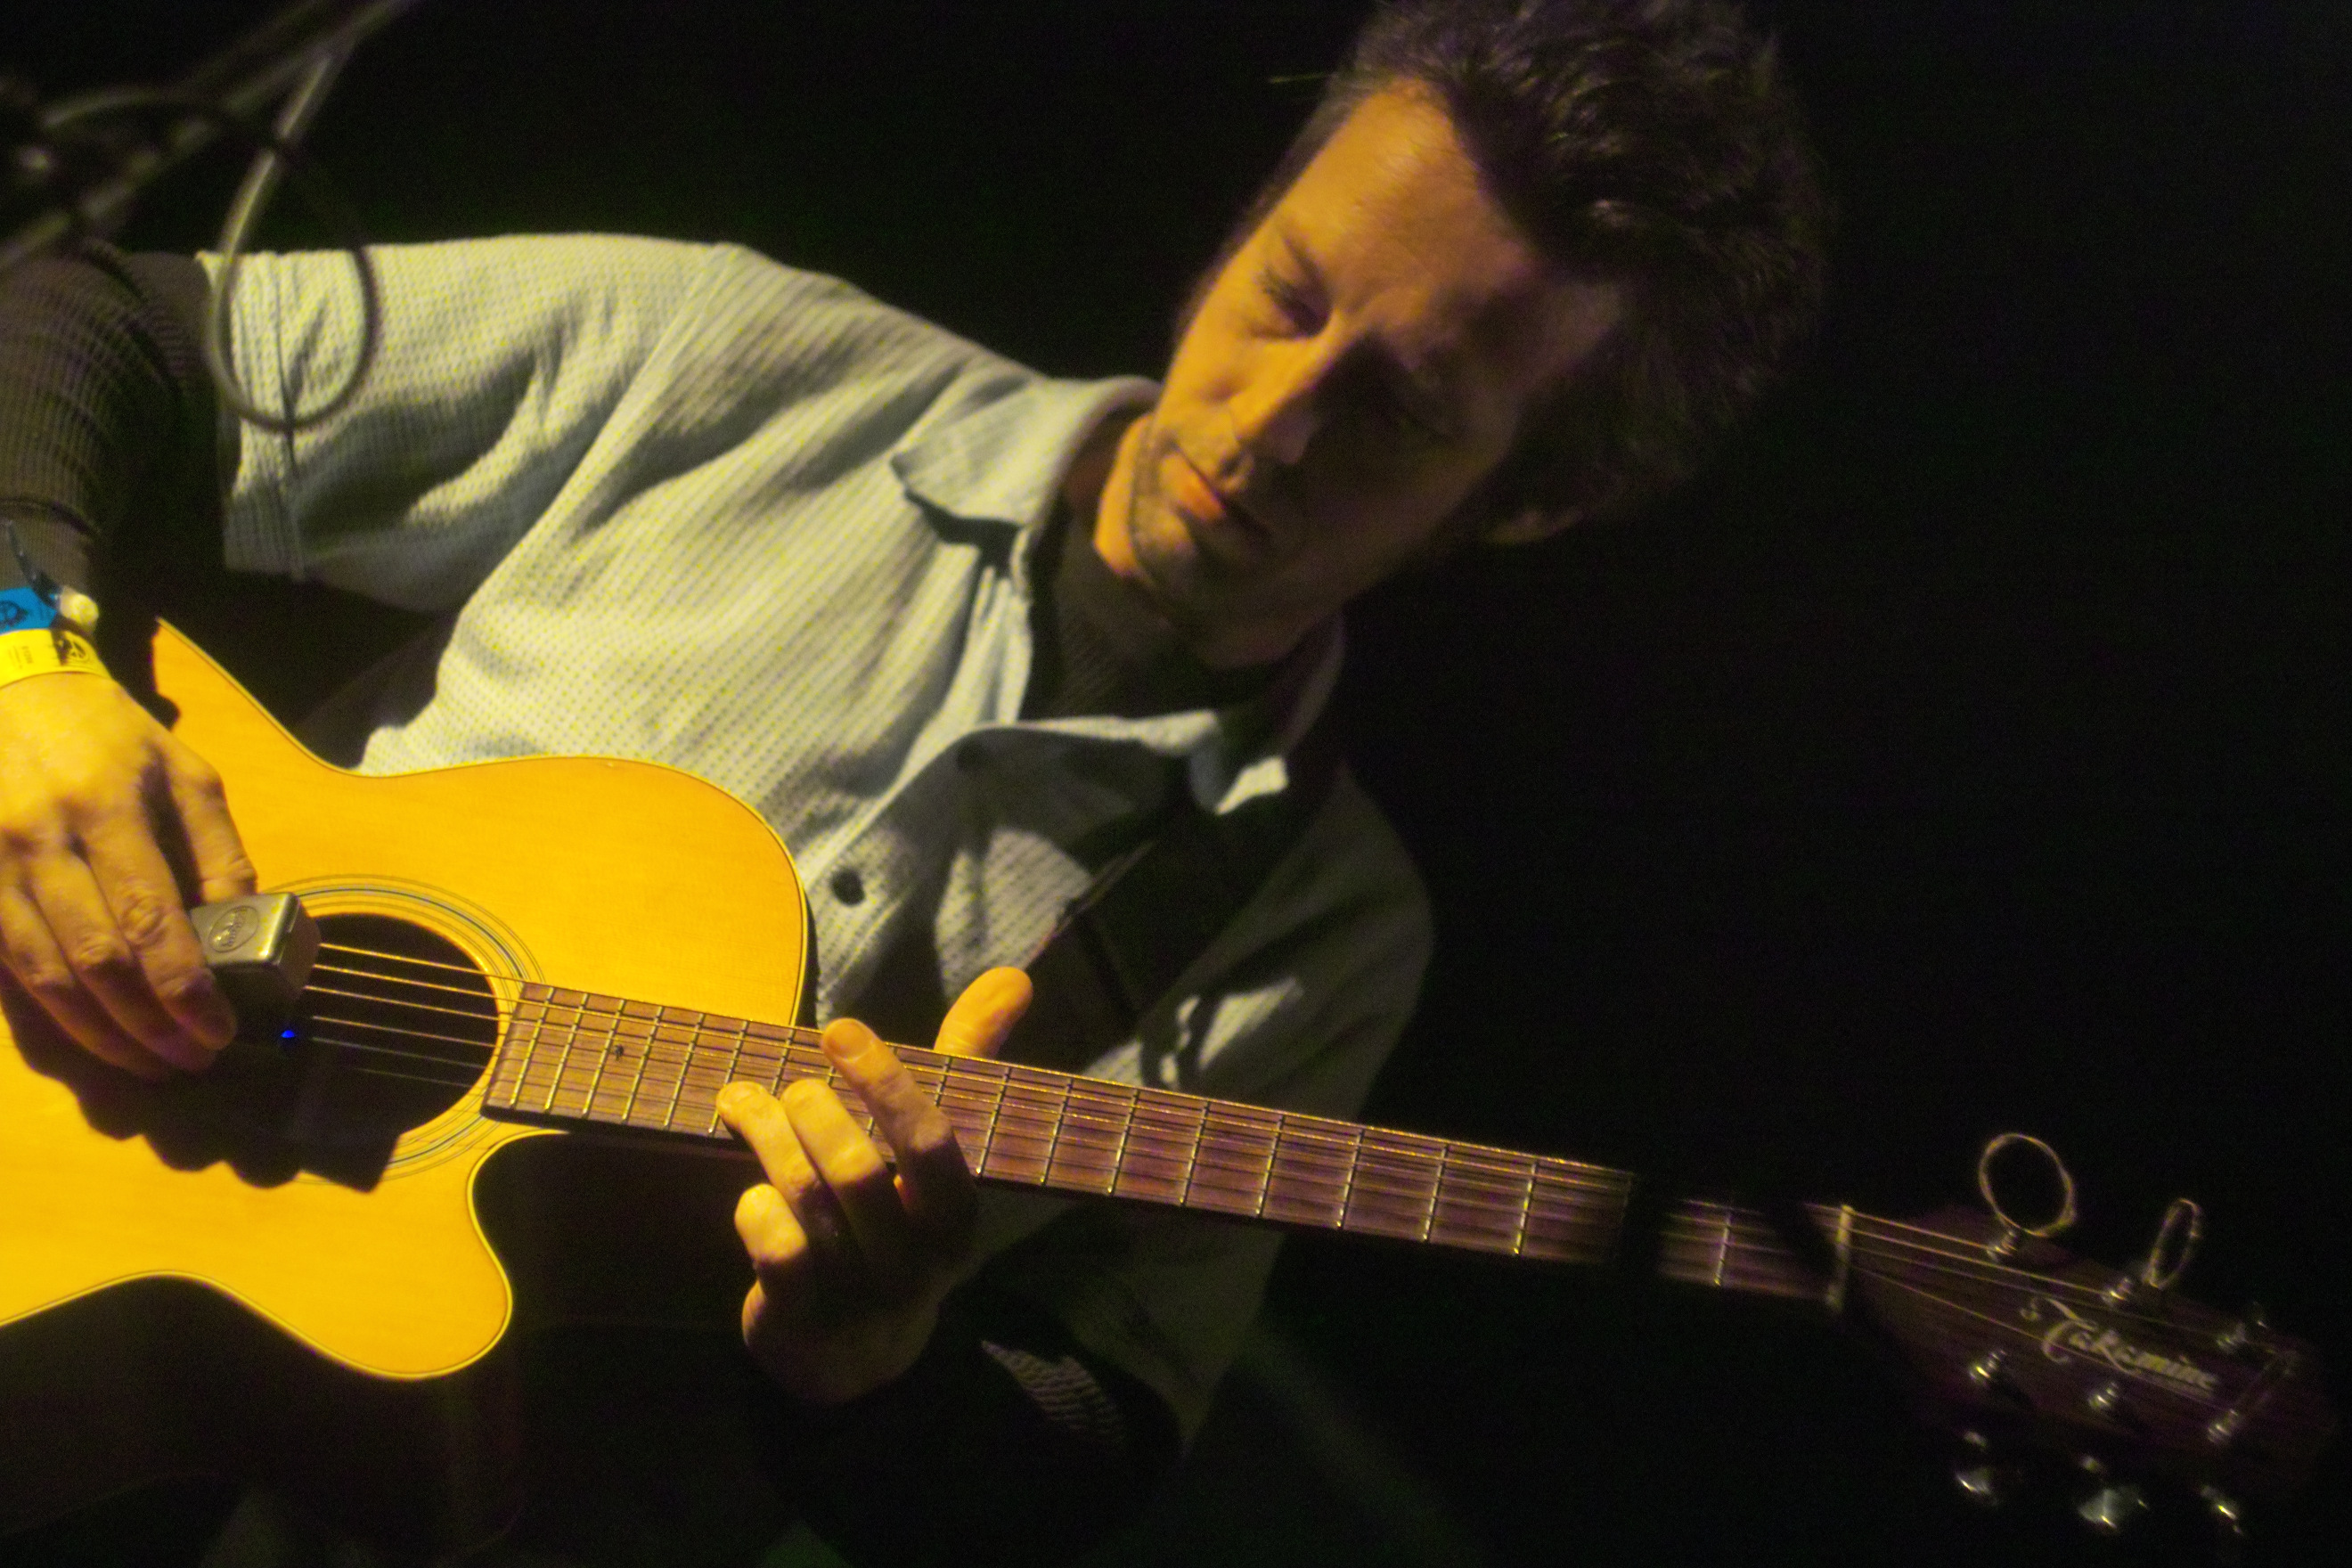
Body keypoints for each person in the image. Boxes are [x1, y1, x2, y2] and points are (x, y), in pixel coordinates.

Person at [0, 1, 1825, 1562]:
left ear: (1528, 503)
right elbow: (92, 333)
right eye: (1287, 293)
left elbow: (1077, 1451)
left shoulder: (1323, 926)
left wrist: (867, 1370)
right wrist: (27, 661)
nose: (1273, 421)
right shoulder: (745, 360)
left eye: (1400, 410)